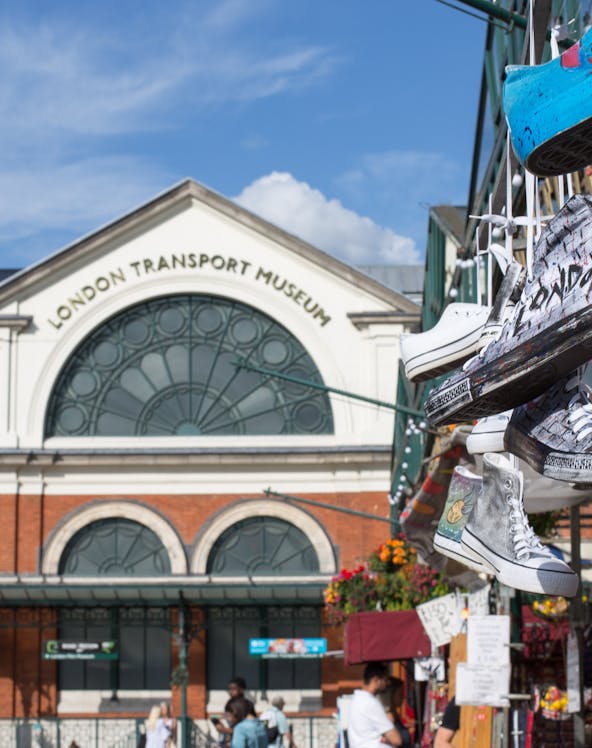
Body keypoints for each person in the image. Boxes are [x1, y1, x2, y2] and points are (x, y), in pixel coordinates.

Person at [347, 662, 402, 747]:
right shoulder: (370, 703)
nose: (387, 684)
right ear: (376, 680)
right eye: (385, 680)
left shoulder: (355, 700)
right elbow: (396, 740)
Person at [216, 677, 248, 745]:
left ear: (242, 689)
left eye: (233, 689)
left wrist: (226, 730)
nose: (230, 692)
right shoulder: (230, 703)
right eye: (229, 689)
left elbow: (247, 729)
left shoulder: (247, 705)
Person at [385, 677, 411, 748]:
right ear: (391, 695)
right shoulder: (387, 718)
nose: (403, 697)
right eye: (400, 694)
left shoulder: (395, 715)